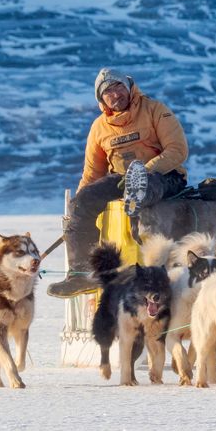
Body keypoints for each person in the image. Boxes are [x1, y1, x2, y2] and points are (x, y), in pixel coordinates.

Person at [46, 68, 189, 298]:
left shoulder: (155, 110)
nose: (115, 94)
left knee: (145, 187)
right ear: (101, 99)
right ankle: (81, 275)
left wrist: (144, 171)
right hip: (121, 180)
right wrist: (77, 215)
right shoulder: (99, 127)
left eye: (118, 86)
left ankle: (137, 200)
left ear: (129, 87)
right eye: (107, 91)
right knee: (82, 202)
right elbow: (93, 173)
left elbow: (178, 149)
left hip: (163, 175)